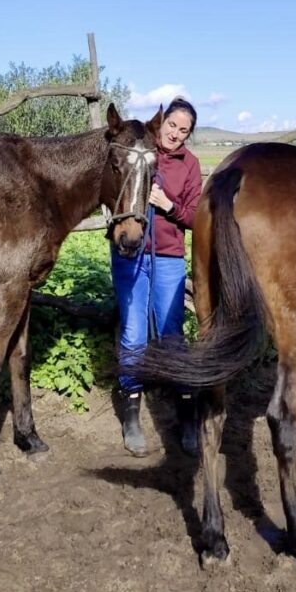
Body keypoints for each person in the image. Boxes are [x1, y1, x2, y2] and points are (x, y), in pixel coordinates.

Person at [111, 97, 202, 457]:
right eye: (172, 126)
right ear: (161, 123)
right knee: (133, 333)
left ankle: (186, 412)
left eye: (184, 130)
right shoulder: (141, 149)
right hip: (129, 256)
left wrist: (169, 207)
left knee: (172, 335)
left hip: (167, 258)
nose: (175, 134)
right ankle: (132, 416)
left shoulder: (190, 165)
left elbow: (195, 216)